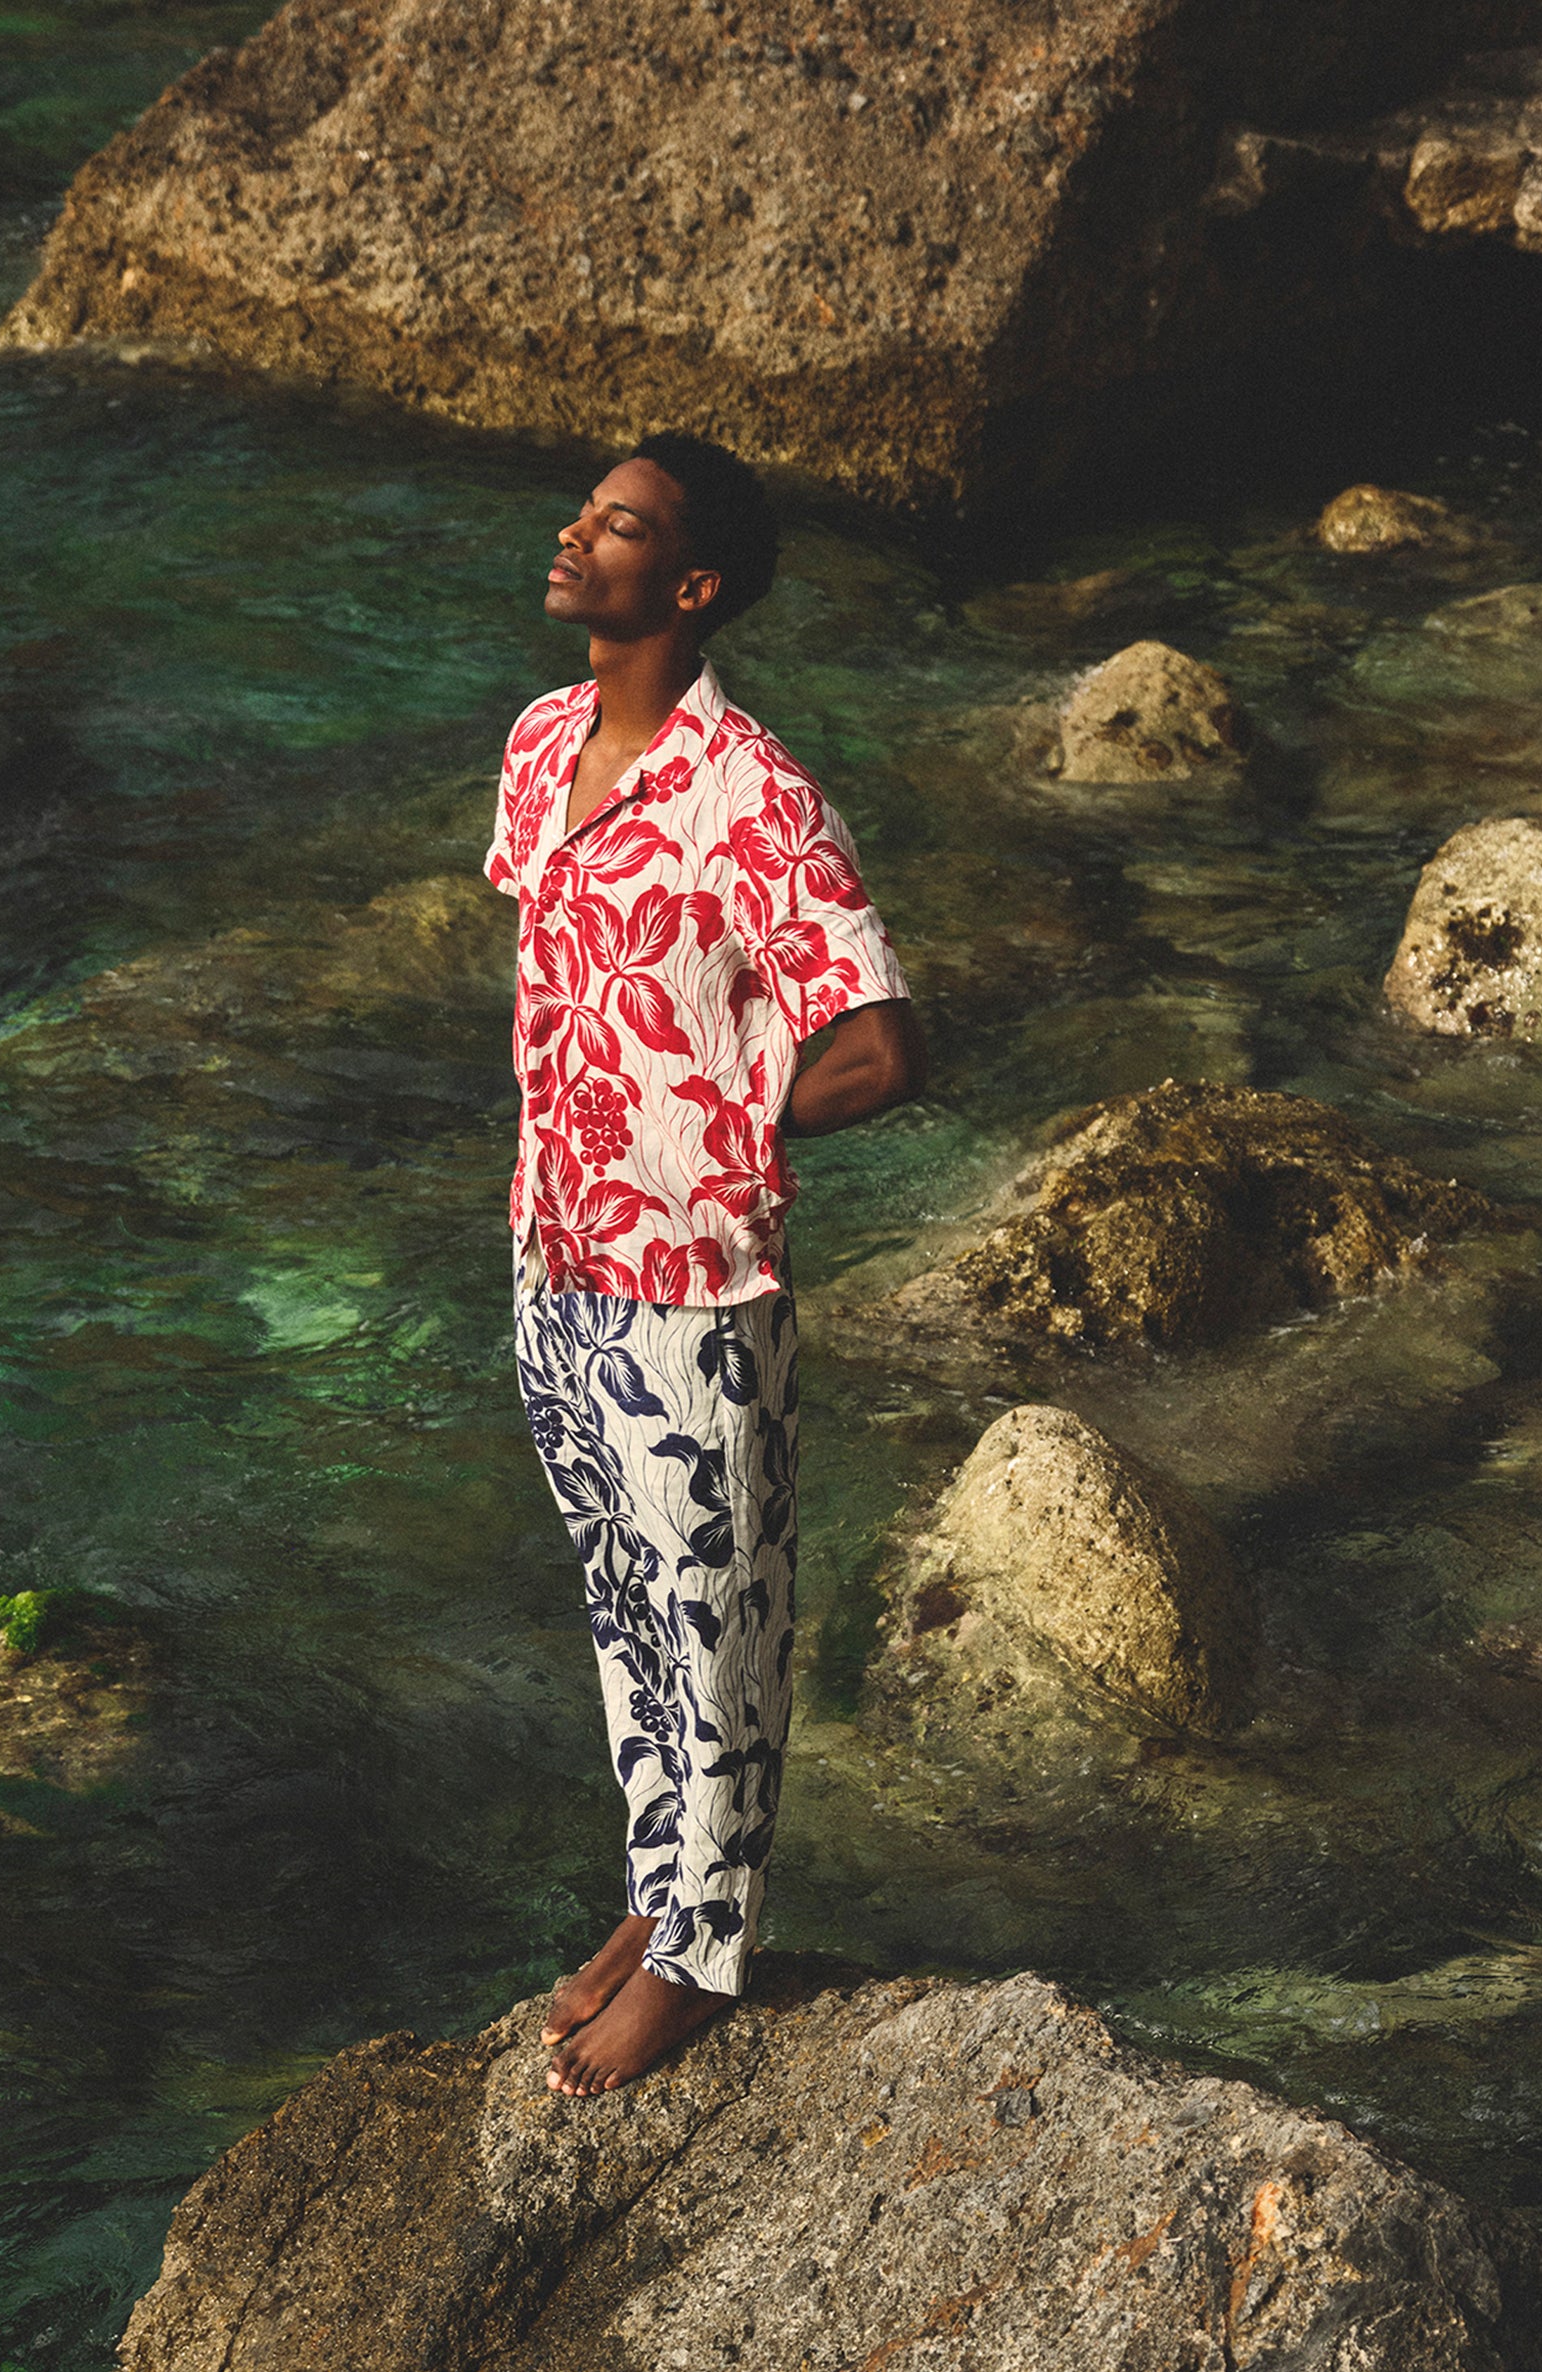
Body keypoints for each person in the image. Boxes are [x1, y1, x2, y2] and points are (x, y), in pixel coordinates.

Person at [485, 432, 926, 2096]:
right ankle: (657, 1895)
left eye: (617, 525)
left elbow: (880, 1050)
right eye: (584, 510)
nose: (573, 534)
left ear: (687, 584)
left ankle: (705, 1961)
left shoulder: (754, 794)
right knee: (625, 1613)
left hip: (690, 1292)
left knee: (716, 1624)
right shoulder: (539, 746)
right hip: (548, 1257)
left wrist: (722, 1128)